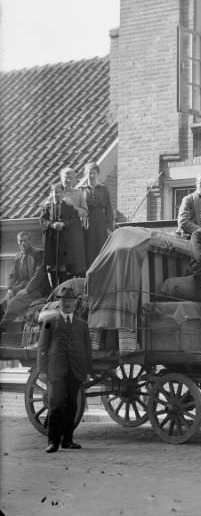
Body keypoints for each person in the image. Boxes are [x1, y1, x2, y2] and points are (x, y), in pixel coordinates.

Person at [37, 283, 92, 453]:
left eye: (71, 300)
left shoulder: (82, 325)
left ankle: (68, 440)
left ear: (76, 303)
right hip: (56, 370)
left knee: (72, 406)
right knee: (56, 405)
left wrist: (88, 370)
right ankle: (53, 442)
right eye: (64, 300)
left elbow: (87, 348)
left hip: (75, 370)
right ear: (59, 302)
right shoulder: (48, 322)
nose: (67, 303)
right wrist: (43, 371)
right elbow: (42, 347)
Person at [40, 183, 87, 286]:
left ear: (62, 193)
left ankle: (62, 289)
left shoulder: (68, 207)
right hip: (51, 239)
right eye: (53, 192)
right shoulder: (47, 207)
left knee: (62, 264)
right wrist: (52, 225)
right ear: (51, 193)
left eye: (58, 192)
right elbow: (42, 220)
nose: (56, 194)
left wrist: (63, 224)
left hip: (64, 240)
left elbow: (73, 220)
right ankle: (54, 290)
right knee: (52, 265)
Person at [77, 161, 113, 266]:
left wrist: (109, 228)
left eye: (94, 173)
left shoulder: (104, 189)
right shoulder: (81, 190)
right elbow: (77, 209)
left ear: (97, 174)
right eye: (89, 173)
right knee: (89, 252)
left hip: (101, 224)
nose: (92, 175)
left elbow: (109, 209)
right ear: (85, 174)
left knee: (102, 250)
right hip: (87, 224)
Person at [1, 232, 43, 314]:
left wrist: (27, 289)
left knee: (15, 303)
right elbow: (12, 275)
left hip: (36, 288)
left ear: (30, 241)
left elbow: (38, 275)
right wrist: (9, 289)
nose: (23, 243)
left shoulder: (38, 254)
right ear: (18, 242)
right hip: (20, 287)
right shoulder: (18, 256)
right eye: (20, 241)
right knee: (3, 304)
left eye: (25, 240)